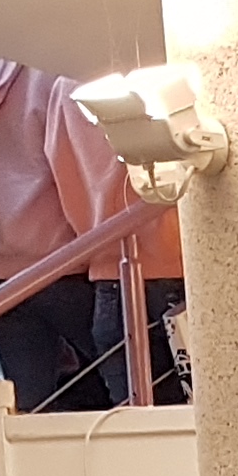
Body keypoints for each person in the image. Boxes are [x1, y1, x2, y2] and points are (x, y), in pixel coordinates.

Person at [0, 53, 101, 411]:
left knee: (30, 410)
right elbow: (72, 168)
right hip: (60, 262)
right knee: (128, 384)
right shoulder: (51, 73)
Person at [51, 77, 185, 399]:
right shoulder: (162, 69)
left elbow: (60, 166)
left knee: (139, 424)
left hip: (109, 274)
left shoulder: (65, 83)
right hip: (179, 264)